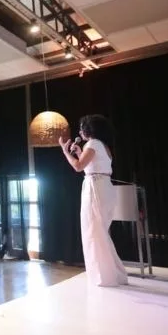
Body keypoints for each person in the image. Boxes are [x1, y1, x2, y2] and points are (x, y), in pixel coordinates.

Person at [59, 114, 128, 287]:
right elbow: (93, 165)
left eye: (82, 127)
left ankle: (104, 277)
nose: (80, 131)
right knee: (100, 232)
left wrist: (65, 152)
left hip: (95, 187)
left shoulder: (92, 144)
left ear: (88, 129)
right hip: (104, 186)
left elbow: (78, 166)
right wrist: (79, 153)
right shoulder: (102, 146)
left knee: (94, 232)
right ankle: (114, 274)